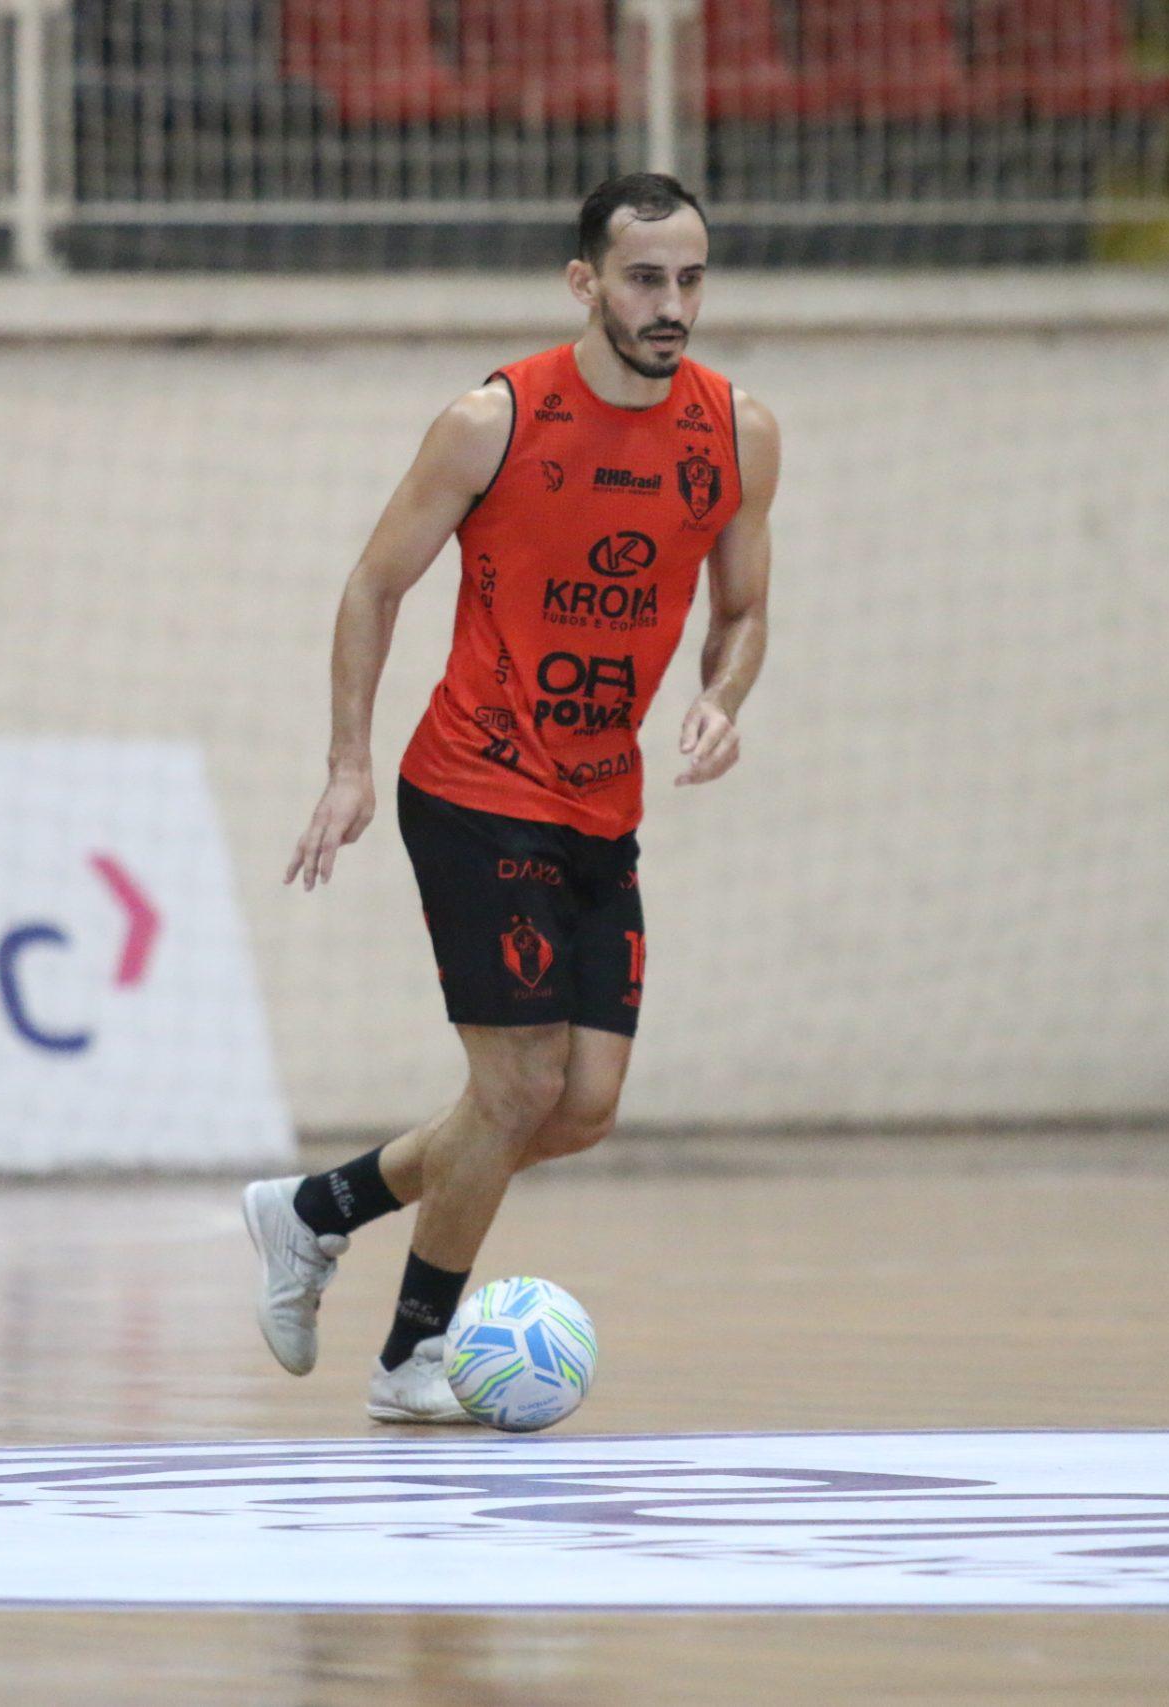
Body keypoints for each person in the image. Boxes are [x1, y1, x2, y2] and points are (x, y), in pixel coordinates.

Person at [250, 171, 779, 1422]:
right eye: (645, 278)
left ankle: (313, 1212)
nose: (672, 304)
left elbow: (744, 608)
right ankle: (409, 1359)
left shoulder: (737, 433)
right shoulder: (493, 420)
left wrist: (723, 698)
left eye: (691, 278)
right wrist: (346, 765)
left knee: (581, 1108)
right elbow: (373, 586)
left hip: (604, 800)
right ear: (583, 281)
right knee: (514, 1086)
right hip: (476, 785)